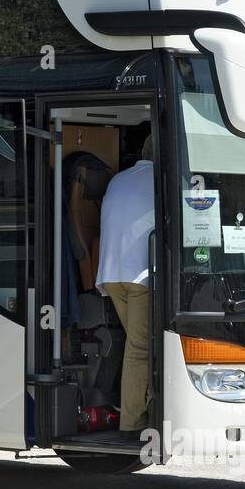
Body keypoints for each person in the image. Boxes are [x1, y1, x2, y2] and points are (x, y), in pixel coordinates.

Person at [95, 132, 155, 439]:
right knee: (140, 348)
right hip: (140, 275)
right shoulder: (160, 180)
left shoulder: (119, 179)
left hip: (111, 273)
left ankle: (130, 403)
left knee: (134, 342)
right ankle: (132, 420)